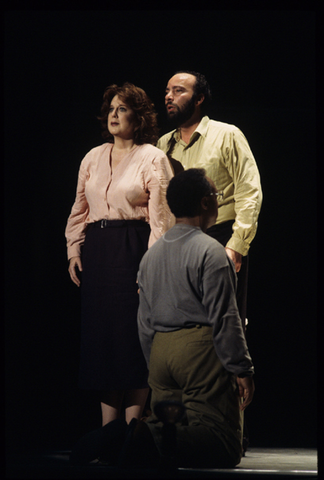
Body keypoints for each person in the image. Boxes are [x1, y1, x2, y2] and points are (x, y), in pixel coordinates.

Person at [69, 168, 255, 469]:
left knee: (173, 427)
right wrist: (242, 368)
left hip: (159, 353)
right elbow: (225, 317)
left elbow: (143, 320)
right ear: (206, 203)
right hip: (199, 353)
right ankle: (144, 438)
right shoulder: (211, 252)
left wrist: (153, 362)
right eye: (217, 197)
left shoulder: (151, 257)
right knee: (223, 444)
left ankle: (126, 434)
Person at [65, 82, 174, 427]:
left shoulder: (152, 157)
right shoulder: (93, 157)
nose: (114, 114)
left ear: (138, 116)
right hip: (98, 252)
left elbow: (162, 219)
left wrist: (151, 268)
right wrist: (73, 249)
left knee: (131, 341)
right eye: (111, 109)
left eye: (122, 109)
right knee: (102, 342)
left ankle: (131, 431)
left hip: (133, 250)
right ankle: (107, 431)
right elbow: (79, 209)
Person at [157, 70, 262, 330]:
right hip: (177, 242)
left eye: (179, 91)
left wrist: (236, 245)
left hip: (219, 237)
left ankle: (233, 372)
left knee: (224, 324)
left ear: (199, 98)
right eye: (167, 91)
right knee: (185, 324)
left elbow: (249, 191)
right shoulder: (162, 144)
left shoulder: (227, 135)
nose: (169, 97)